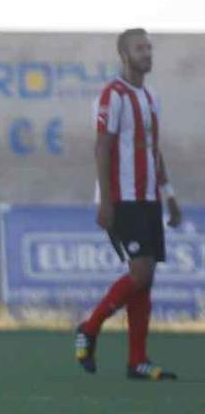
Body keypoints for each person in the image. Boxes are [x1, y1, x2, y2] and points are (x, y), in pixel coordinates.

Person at [75, 28, 182, 380]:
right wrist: (106, 201)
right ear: (124, 54)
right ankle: (89, 328)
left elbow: (154, 151)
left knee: (145, 280)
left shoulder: (151, 98)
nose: (147, 53)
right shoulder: (113, 95)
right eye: (140, 48)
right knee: (140, 271)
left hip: (149, 199)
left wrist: (169, 196)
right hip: (123, 199)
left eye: (149, 47)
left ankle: (137, 360)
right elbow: (102, 148)